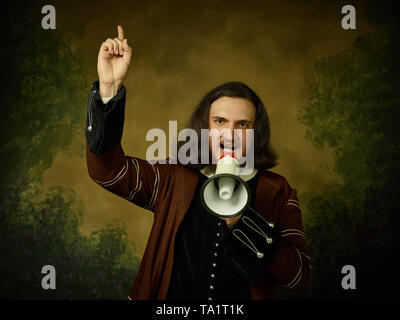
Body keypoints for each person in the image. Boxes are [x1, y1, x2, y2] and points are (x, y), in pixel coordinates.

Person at [85, 25, 311, 300]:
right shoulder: (174, 178)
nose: (229, 134)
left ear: (256, 133)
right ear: (204, 128)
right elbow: (108, 171)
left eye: (243, 124)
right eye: (220, 121)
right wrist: (109, 88)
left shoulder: (278, 191)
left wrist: (244, 220)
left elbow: (298, 276)